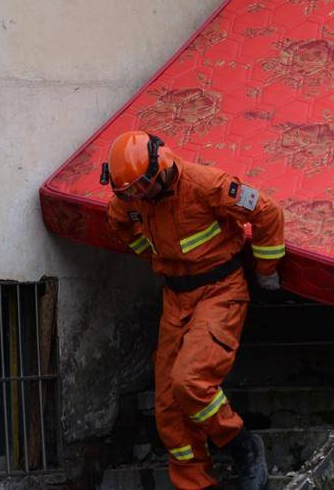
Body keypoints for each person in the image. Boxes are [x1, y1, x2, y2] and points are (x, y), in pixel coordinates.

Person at [102, 130, 285, 490]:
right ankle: (195, 484)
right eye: (129, 192)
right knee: (168, 409)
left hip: (219, 292)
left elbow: (267, 211)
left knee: (191, 382)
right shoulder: (131, 197)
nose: (136, 197)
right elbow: (118, 220)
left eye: (141, 188)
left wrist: (266, 271)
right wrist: (153, 253)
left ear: (161, 167)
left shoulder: (206, 185)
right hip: (175, 299)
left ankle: (242, 446)